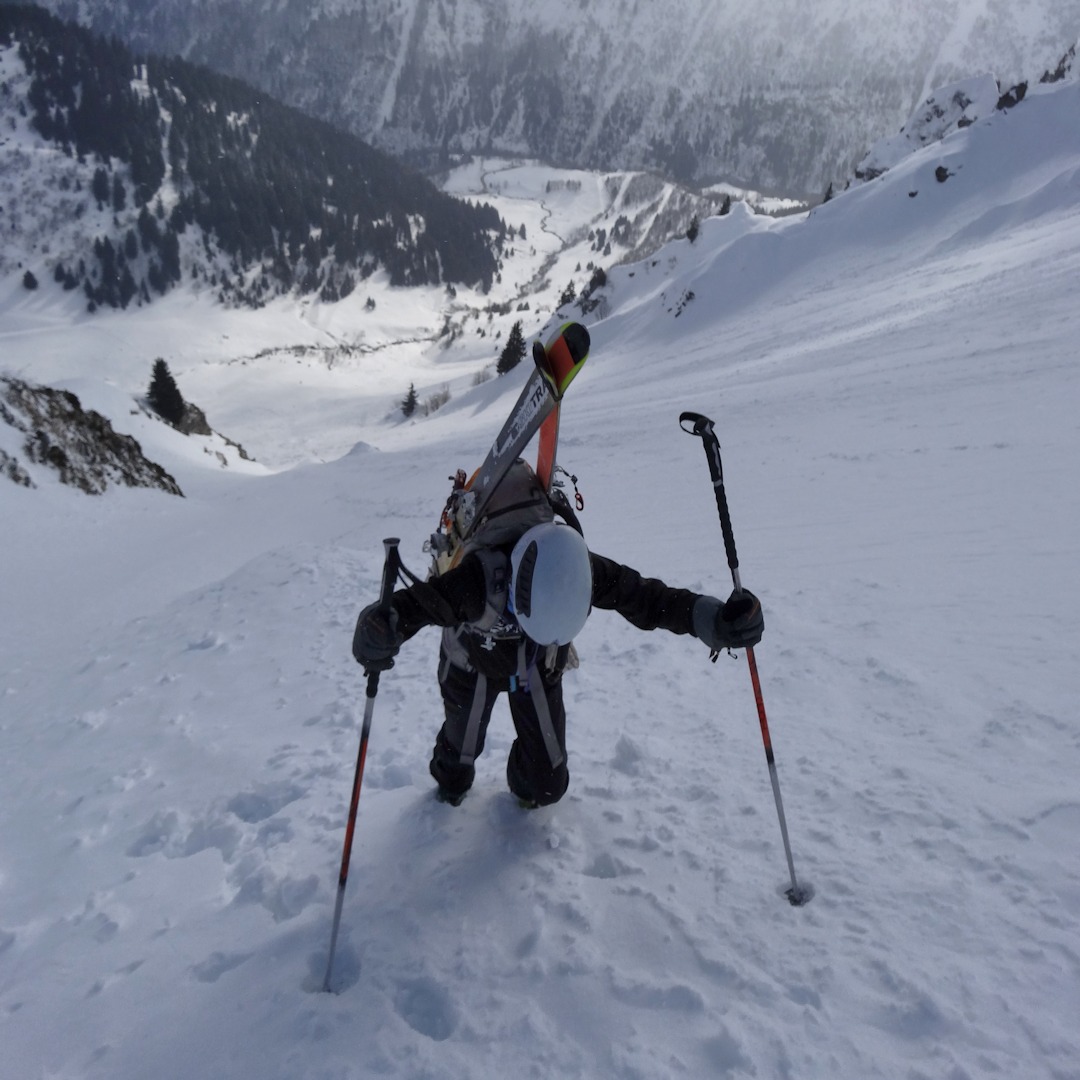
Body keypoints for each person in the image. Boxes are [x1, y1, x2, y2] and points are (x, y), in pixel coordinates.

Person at [352, 461, 763, 809]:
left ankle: (522, 775)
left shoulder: (576, 567)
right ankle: (452, 769)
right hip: (471, 662)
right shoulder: (479, 580)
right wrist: (382, 625)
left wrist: (713, 620)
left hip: (536, 665)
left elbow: (643, 598)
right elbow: (424, 603)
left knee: (546, 786)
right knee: (455, 769)